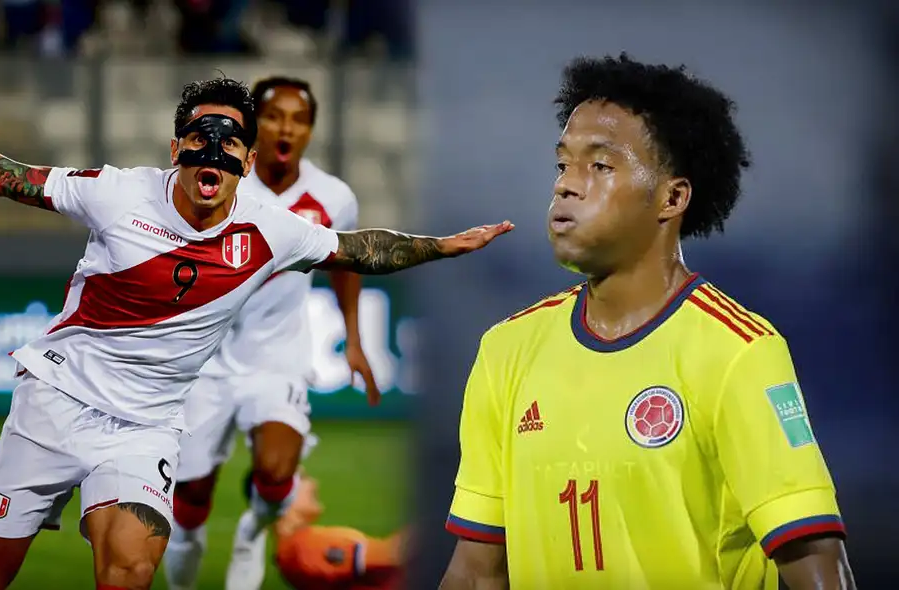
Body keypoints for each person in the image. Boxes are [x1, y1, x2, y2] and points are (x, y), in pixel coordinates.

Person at [0, 77, 512, 590]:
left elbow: (360, 250)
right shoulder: (117, 193)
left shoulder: (273, 229)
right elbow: (3, 175)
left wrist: (440, 247)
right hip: (56, 401)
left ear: (247, 161)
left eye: (229, 141)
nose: (212, 151)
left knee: (130, 570)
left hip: (146, 425)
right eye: (200, 136)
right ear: (176, 148)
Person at [440, 54, 855, 589]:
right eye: (562, 165)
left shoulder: (738, 352)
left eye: (600, 166)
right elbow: (476, 574)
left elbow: (814, 567)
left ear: (671, 197)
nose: (566, 186)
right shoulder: (506, 350)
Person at [162, 75, 380, 590]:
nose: (287, 127)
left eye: (299, 118)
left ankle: (253, 528)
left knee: (278, 473)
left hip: (276, 358)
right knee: (190, 499)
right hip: (204, 363)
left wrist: (353, 337)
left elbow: (344, 263)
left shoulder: (333, 198)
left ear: (310, 130)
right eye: (276, 116)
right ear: (257, 125)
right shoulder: (217, 180)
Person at [272, 470, 406, 589]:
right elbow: (391, 554)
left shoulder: (298, 545)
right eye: (303, 478)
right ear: (278, 495)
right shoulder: (302, 547)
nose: (313, 483)